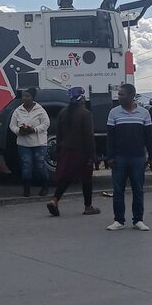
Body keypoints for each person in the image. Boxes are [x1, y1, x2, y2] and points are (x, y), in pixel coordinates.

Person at [104, 83, 152, 231]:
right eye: (119, 94)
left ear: (131, 96)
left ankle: (138, 220)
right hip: (119, 158)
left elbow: (148, 137)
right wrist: (110, 157)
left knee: (138, 189)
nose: (119, 97)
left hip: (138, 158)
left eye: (122, 94)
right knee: (118, 190)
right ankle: (119, 220)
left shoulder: (144, 113)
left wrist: (151, 158)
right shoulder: (113, 113)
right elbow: (110, 138)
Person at [47, 87, 100, 216]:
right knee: (86, 180)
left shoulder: (62, 112)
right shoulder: (85, 114)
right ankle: (88, 207)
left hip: (66, 151)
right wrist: (92, 155)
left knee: (66, 178)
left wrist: (59, 150)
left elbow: (59, 135)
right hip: (81, 152)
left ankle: (54, 200)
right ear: (82, 98)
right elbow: (89, 136)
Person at [11, 87, 51, 197]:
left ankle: (45, 186)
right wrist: (19, 131)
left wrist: (34, 129)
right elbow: (12, 125)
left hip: (39, 143)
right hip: (23, 143)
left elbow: (46, 124)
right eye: (23, 96)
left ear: (33, 97)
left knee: (40, 164)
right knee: (26, 165)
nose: (25, 98)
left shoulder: (40, 110)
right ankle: (26, 189)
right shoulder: (18, 110)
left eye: (27, 96)